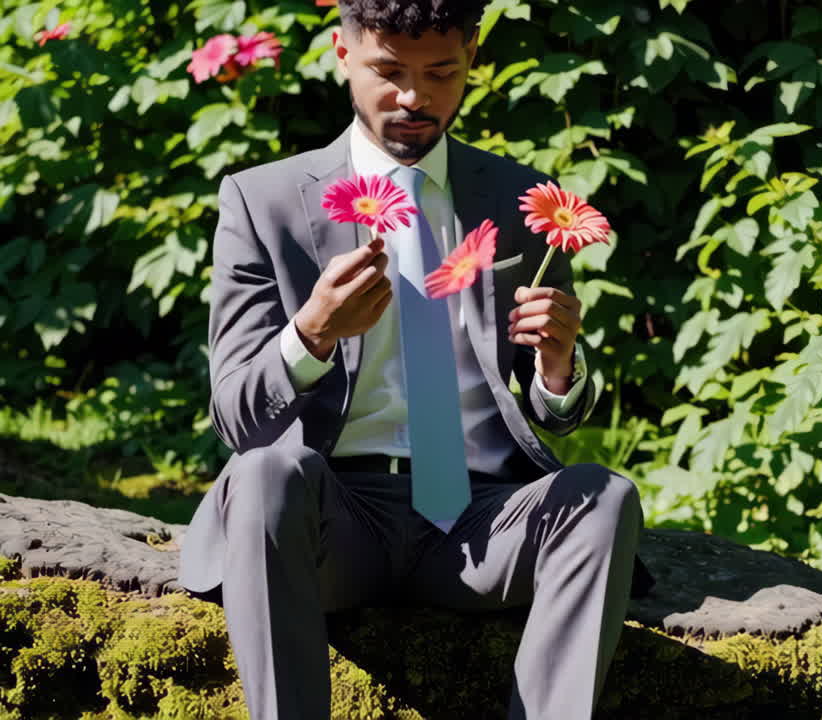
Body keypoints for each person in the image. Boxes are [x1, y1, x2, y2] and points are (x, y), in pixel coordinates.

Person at [176, 2, 646, 718]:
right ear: (342, 52)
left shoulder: (518, 203)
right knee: (265, 471)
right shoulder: (262, 202)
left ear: (473, 58)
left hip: (478, 519)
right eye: (388, 71)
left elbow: (557, 413)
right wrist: (311, 335)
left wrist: (559, 366)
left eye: (441, 73)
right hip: (333, 517)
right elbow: (237, 419)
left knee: (603, 498)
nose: (413, 98)